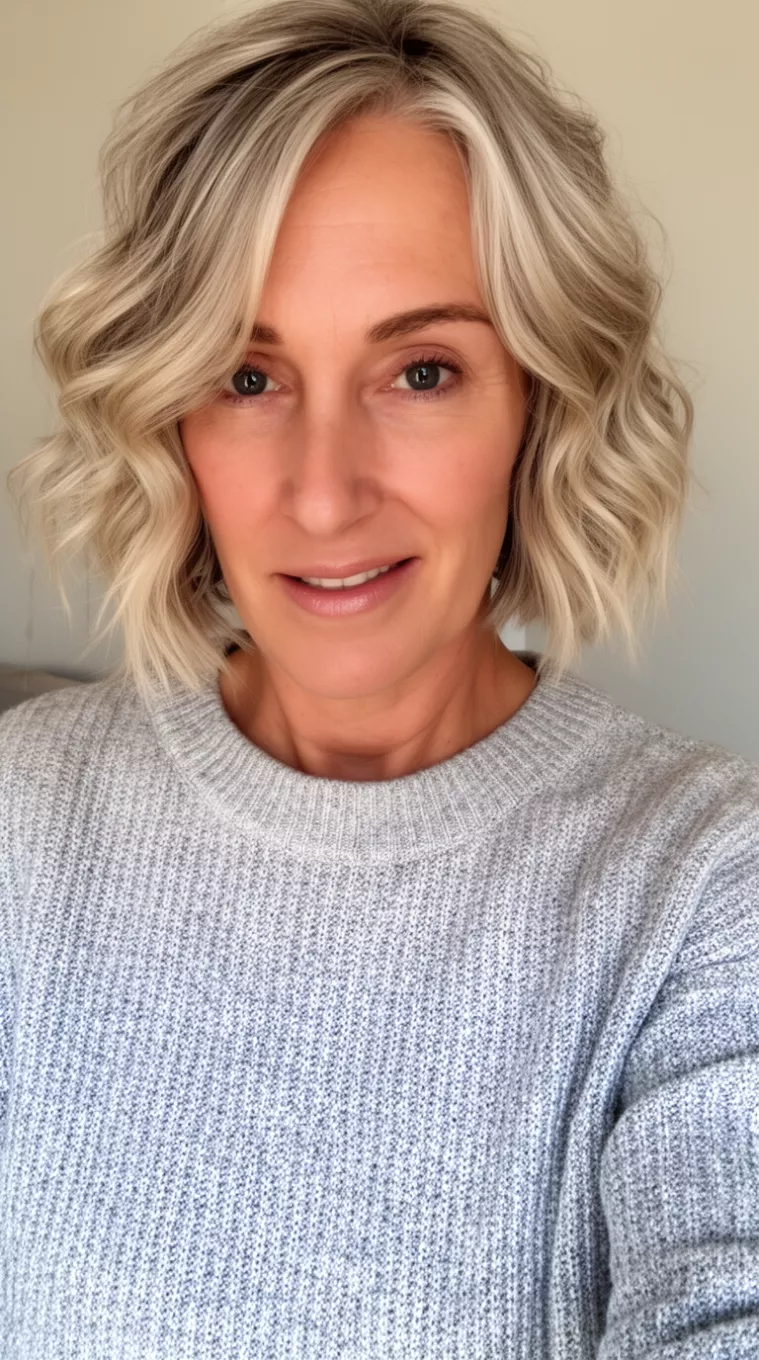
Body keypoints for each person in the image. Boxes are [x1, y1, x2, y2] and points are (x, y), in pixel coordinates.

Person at [2, 0, 758, 1354]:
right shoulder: (21, 813)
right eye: (246, 372)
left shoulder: (705, 887)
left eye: (419, 369)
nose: (323, 491)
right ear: (168, 416)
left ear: (540, 403)